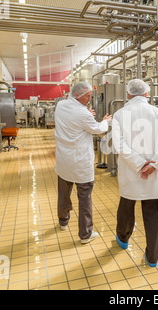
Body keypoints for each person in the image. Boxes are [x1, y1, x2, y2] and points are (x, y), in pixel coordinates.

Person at [111, 79, 158, 267]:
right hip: (154, 172)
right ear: (147, 94)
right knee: (153, 214)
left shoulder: (120, 115)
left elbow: (119, 144)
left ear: (128, 94)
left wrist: (139, 165)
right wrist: (153, 165)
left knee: (126, 208)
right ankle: (152, 256)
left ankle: (123, 239)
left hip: (130, 172)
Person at [55, 82, 111, 244]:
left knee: (63, 194)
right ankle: (86, 234)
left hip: (64, 160)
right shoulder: (83, 114)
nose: (89, 99)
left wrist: (86, 114)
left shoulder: (61, 105)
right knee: (85, 197)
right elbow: (98, 129)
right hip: (80, 162)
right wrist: (105, 121)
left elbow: (77, 120)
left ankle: (63, 221)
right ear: (78, 95)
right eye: (87, 96)